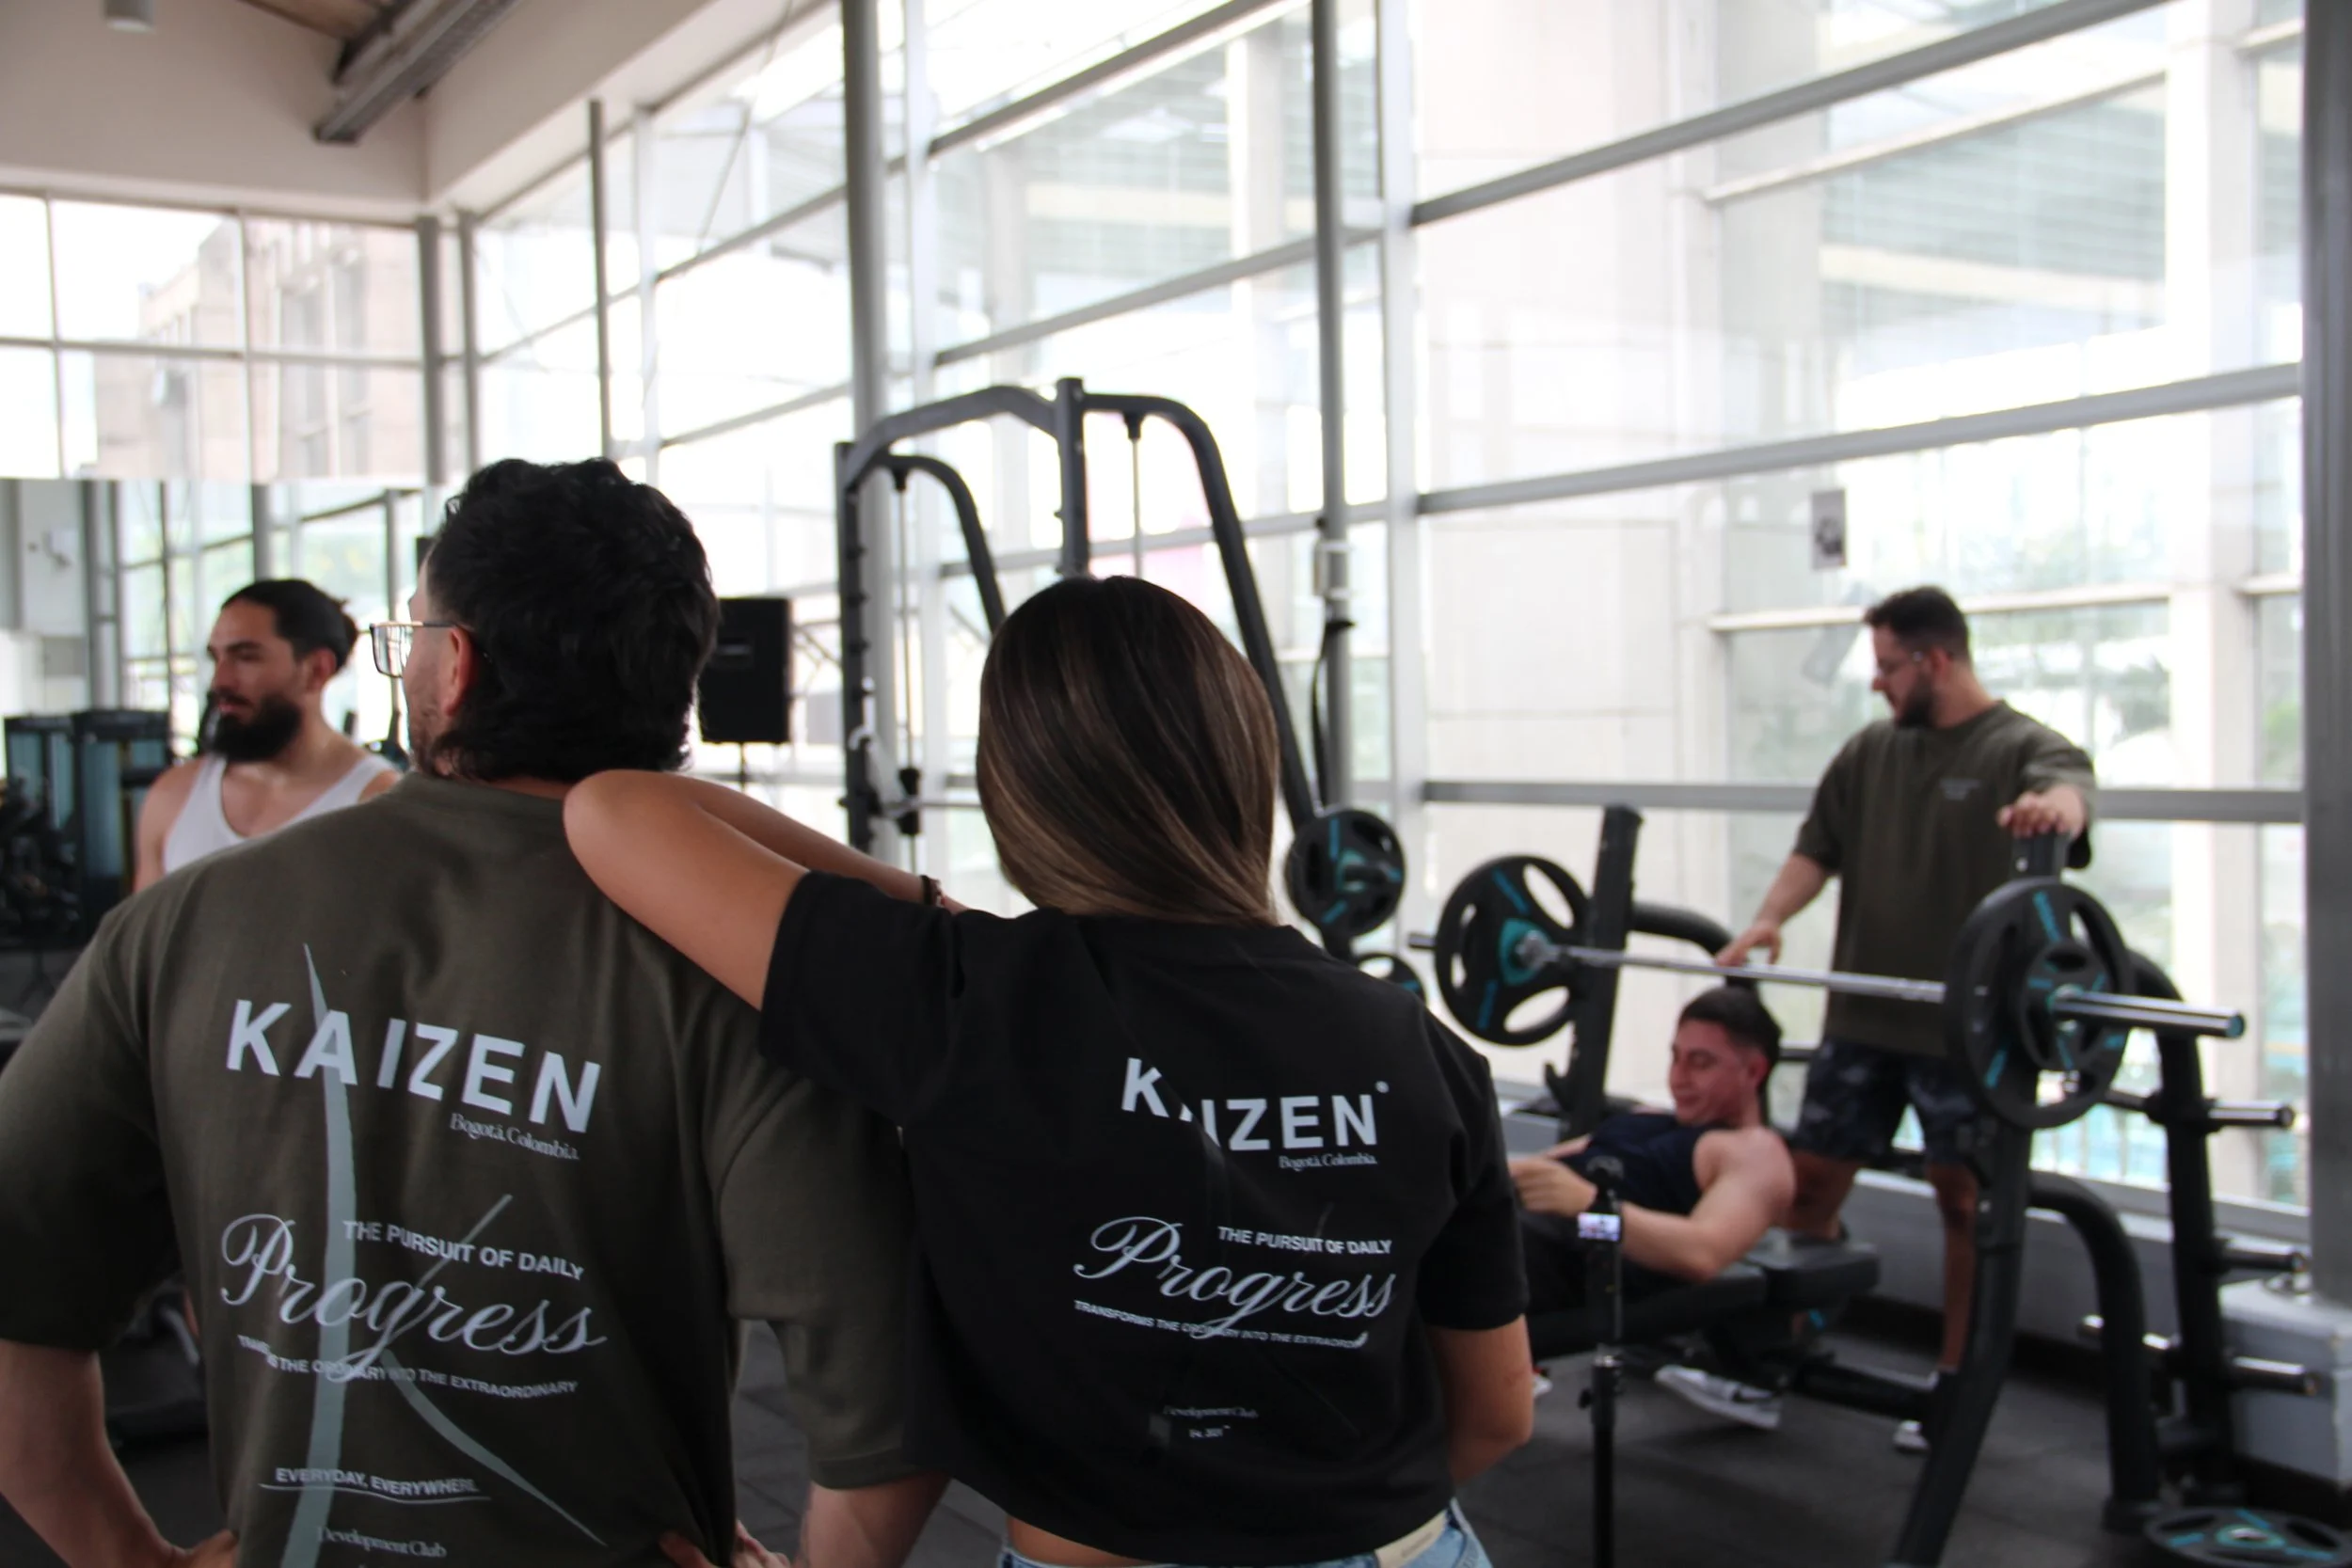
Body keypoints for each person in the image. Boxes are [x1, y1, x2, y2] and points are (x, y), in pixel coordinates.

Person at [0, 459, 933, 1568]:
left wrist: (126, 1558)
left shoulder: (186, 921)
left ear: (455, 662)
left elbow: (17, 1291)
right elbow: (882, 1416)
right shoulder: (736, 967)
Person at [564, 575, 1535, 1568]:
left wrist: (921, 905)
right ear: (1246, 768)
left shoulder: (966, 998)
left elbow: (614, 808)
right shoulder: (1429, 1054)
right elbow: (1497, 1412)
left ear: (1014, 790)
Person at [1715, 584, 2095, 1450]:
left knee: (1964, 1202)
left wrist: (2053, 815)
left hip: (1971, 1032)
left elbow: (2070, 793)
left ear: (1936, 658)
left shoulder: (2023, 747)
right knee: (1806, 1185)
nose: (1879, 684)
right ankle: (1779, 1350)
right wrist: (1771, 917)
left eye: (1889, 666)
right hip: (1865, 1016)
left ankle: (1957, 1384)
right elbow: (1817, 848)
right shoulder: (1868, 754)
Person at [1508, 988, 1794, 1425]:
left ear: (1754, 1071)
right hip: (1525, 1224)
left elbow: (1703, 1254)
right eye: (1675, 1057)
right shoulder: (1645, 1119)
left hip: (1583, 1248)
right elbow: (1541, 1169)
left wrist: (1592, 1208)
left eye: (1700, 1063)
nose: (1678, 1077)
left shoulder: (1752, 1151)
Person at [134, 578, 399, 889]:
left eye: (246, 657)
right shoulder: (172, 796)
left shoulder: (376, 805)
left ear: (316, 670)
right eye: (216, 658)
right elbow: (144, 935)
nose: (220, 681)